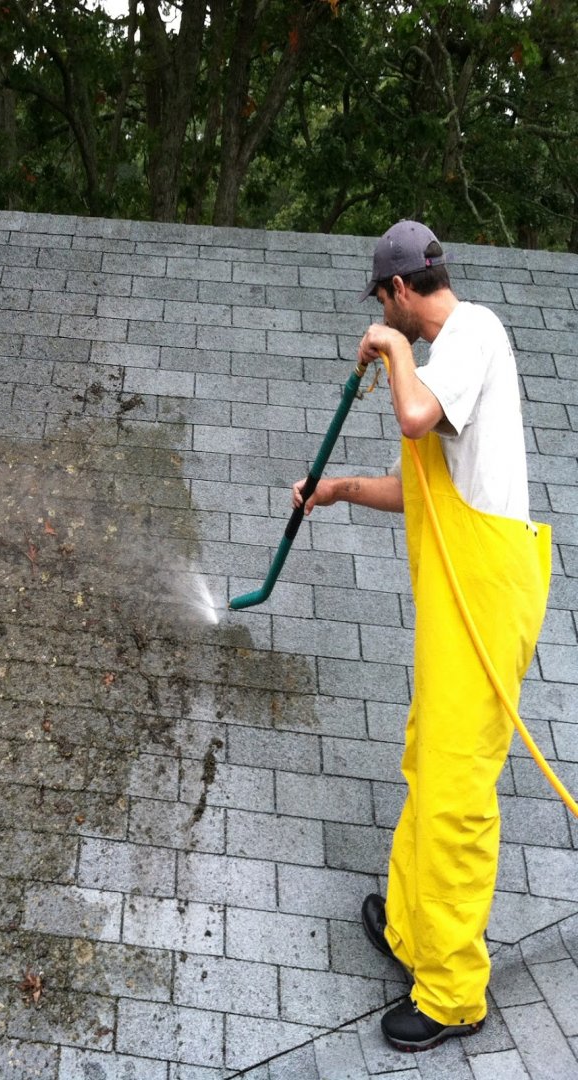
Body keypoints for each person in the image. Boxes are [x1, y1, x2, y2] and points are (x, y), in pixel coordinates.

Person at [293, 220, 552, 1052]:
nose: (382, 314)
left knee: (456, 797)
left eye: (381, 301)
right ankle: (412, 933)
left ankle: (453, 992)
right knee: (425, 760)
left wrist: (389, 351)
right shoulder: (444, 366)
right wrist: (332, 491)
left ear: (400, 290)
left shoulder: (473, 332)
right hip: (458, 599)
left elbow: (411, 418)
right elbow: (421, 492)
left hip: (487, 600)